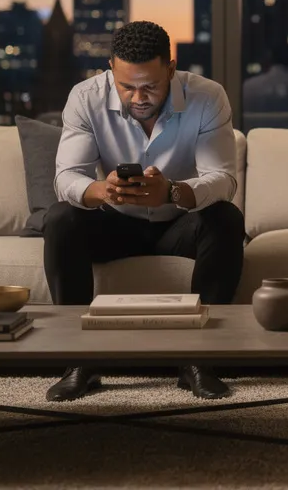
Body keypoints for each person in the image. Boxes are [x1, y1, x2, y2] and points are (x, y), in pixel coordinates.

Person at [42, 21, 246, 402]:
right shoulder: (85, 97)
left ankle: (199, 362)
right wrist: (104, 190)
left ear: (170, 68)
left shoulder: (207, 97)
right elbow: (67, 177)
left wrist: (173, 191)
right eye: (127, 86)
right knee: (60, 219)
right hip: (115, 223)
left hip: (179, 223)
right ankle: (78, 362)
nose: (138, 97)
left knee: (226, 218)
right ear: (110, 70)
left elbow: (223, 179)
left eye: (150, 85)